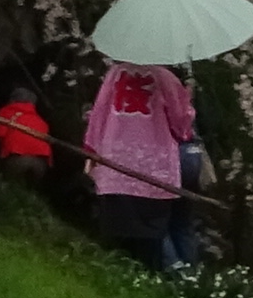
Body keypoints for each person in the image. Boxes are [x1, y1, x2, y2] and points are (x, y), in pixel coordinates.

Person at [83, 58, 199, 276]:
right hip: (153, 165)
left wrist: (91, 150)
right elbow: (182, 127)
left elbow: (98, 114)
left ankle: (125, 274)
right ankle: (179, 279)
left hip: (115, 162)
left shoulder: (113, 74)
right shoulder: (165, 78)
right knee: (155, 230)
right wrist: (187, 101)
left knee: (121, 229)